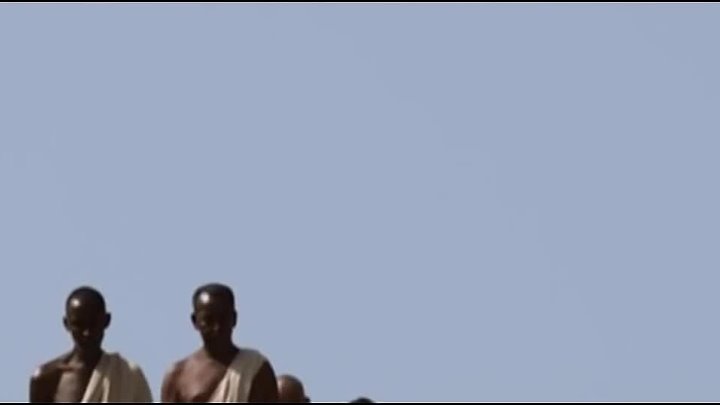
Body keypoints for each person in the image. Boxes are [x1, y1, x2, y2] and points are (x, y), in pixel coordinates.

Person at [29, 286, 153, 403]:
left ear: (106, 321)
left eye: (93, 323)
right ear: (67, 324)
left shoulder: (128, 375)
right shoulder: (47, 378)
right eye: (79, 325)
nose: (87, 333)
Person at [161, 283, 278, 402]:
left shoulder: (256, 368)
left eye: (223, 318)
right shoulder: (177, 375)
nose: (217, 327)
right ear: (195, 321)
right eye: (209, 320)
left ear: (234, 318)